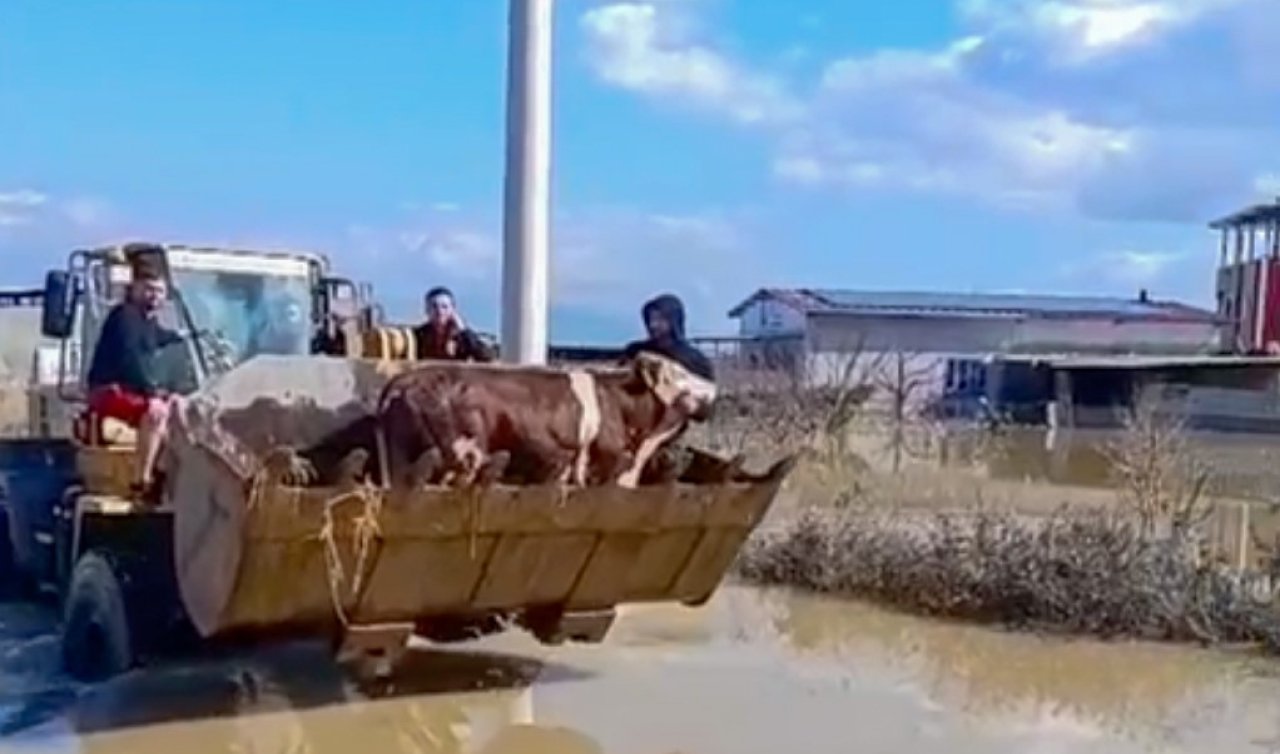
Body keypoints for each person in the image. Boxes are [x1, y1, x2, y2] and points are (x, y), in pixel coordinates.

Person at [85, 264, 185, 499]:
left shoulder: (148, 322)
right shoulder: (124, 317)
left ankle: (165, 471)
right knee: (155, 411)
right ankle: (144, 479)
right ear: (134, 288)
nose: (155, 296)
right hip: (107, 391)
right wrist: (152, 392)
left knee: (179, 406)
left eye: (160, 291)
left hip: (131, 392)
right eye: (149, 289)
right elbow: (131, 360)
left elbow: (163, 338)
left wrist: (185, 338)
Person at [622, 293, 715, 382]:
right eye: (651, 319)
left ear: (673, 321)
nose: (653, 325)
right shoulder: (636, 351)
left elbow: (705, 390)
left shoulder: (695, 360)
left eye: (659, 319)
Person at [412, 286, 495, 362]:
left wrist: (463, 330)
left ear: (453, 310)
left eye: (445, 307)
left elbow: (486, 357)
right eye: (434, 306)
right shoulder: (418, 335)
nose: (440, 311)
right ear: (427, 309)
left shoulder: (463, 337)